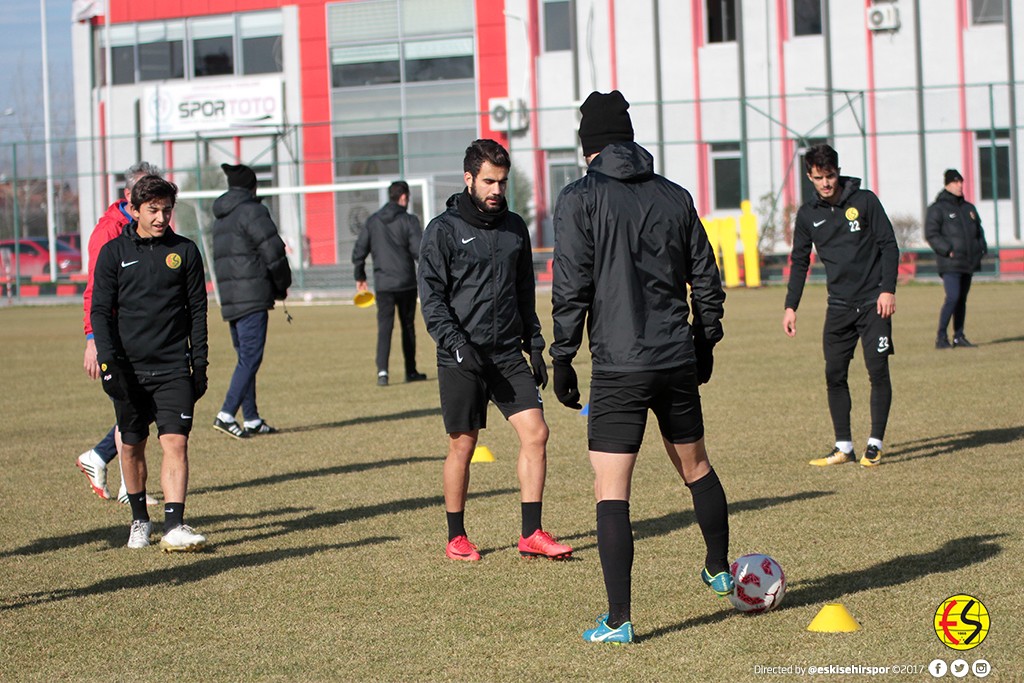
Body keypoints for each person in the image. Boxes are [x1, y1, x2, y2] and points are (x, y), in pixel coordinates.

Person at [550, 91, 731, 644]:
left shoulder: (579, 199)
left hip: (619, 367)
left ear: (590, 147)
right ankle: (720, 569)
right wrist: (705, 341)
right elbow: (706, 275)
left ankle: (619, 620)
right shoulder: (675, 195)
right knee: (696, 467)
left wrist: (561, 356)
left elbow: (570, 285)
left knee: (611, 491)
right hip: (675, 357)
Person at [418, 139, 572, 563]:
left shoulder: (514, 228)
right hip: (461, 356)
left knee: (537, 433)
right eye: (489, 181)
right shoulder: (443, 231)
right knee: (463, 446)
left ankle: (531, 533)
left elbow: (524, 291)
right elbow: (432, 299)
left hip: (506, 354)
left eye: (502, 182)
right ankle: (456, 537)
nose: (496, 191)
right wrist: (456, 344)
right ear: (468, 179)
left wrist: (535, 345)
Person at [90, 175, 209, 551]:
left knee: (176, 442)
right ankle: (140, 520)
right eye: (153, 210)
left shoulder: (186, 251)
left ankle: (174, 524)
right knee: (132, 445)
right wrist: (109, 365)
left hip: (174, 366)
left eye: (167, 210)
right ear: (135, 210)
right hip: (129, 368)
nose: (161, 218)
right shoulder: (113, 253)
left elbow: (198, 312)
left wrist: (200, 365)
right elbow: (100, 311)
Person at [783, 144, 899, 468]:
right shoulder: (808, 215)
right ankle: (843, 446)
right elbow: (799, 261)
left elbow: (889, 245)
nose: (826, 184)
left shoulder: (865, 201)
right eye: (819, 178)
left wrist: (887, 290)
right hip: (838, 307)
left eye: (830, 176)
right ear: (809, 176)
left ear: (838, 172)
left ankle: (874, 443)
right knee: (834, 373)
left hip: (874, 302)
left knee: (877, 371)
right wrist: (791, 306)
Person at [76, 161, 162, 506]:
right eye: (144, 196)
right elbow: (95, 291)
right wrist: (92, 339)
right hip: (115, 334)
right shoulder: (109, 232)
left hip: (144, 331)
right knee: (135, 406)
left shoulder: (147, 230)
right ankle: (111, 468)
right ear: (129, 196)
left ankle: (109, 466)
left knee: (146, 404)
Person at [211, 163, 292, 439]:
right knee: (250, 357)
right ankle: (226, 414)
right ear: (252, 186)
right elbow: (274, 251)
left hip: (230, 297)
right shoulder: (253, 211)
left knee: (245, 357)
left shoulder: (221, 216)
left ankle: (253, 418)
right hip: (252, 295)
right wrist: (282, 286)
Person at [352, 180, 427, 386]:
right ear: (403, 197)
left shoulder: (373, 221)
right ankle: (410, 370)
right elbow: (419, 251)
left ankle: (382, 373)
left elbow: (359, 251)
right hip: (406, 282)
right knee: (408, 327)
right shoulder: (409, 221)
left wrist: (360, 276)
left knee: (384, 328)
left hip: (383, 284)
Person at [925, 169, 987, 349]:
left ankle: (959, 336)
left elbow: (979, 231)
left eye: (961, 181)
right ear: (947, 184)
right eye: (956, 182)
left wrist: (981, 248)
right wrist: (947, 250)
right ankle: (941, 337)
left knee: (961, 300)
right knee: (952, 297)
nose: (960, 185)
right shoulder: (937, 208)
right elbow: (931, 233)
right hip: (951, 263)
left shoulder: (968, 208)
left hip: (968, 262)